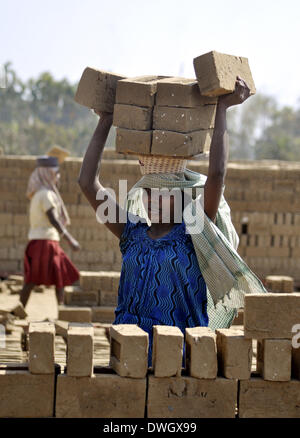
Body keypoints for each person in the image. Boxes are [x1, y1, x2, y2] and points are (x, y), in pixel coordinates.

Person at [78, 76, 268, 367]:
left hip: (180, 361)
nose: (151, 202)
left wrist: (223, 108)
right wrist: (106, 119)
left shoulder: (195, 231)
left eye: (162, 195)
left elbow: (216, 175)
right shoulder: (131, 232)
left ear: (181, 197)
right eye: (147, 193)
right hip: (128, 358)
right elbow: (87, 183)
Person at [20, 155, 81, 308]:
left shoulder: (38, 194)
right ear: (48, 174)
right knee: (33, 279)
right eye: (56, 173)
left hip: (42, 241)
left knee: (59, 275)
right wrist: (69, 238)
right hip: (45, 242)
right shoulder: (46, 195)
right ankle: (19, 309)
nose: (58, 176)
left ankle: (60, 308)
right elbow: (54, 219)